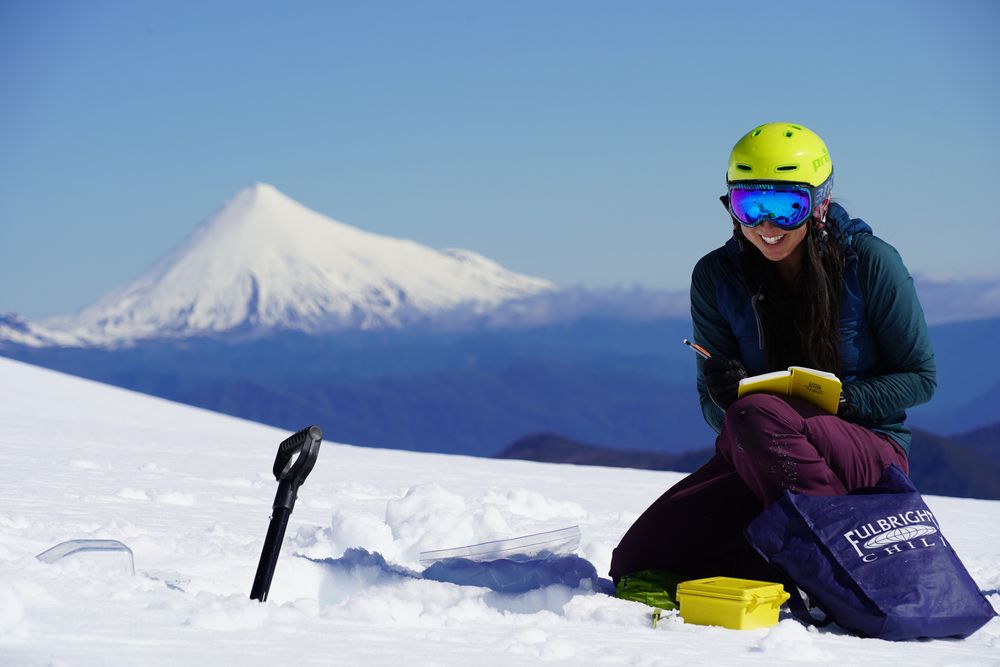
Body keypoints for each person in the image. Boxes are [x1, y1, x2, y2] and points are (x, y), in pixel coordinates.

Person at [609, 122, 936, 585]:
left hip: (866, 449)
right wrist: (724, 400)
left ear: (819, 203)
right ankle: (783, 565)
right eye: (748, 205)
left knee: (759, 413)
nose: (765, 225)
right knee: (638, 563)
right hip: (764, 452)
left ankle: (835, 568)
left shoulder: (870, 263)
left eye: (786, 207)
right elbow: (712, 409)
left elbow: (921, 377)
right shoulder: (716, 277)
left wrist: (845, 400)